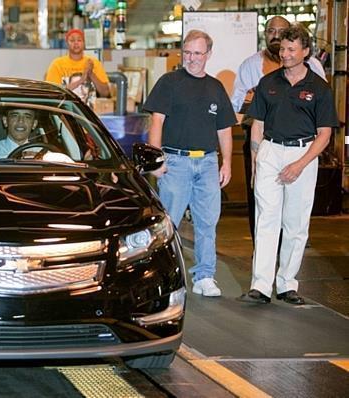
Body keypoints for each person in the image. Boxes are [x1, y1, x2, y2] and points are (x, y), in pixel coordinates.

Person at [237, 24, 338, 305]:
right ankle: (260, 286)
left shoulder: (319, 88)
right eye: (282, 49)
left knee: (295, 224)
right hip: (271, 151)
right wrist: (257, 161)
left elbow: (325, 134)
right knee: (266, 220)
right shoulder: (269, 83)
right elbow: (258, 124)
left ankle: (286, 285)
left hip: (303, 155)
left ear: (306, 52)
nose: (285, 54)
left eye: (291, 49)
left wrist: (300, 164)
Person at [142, 30, 236, 297]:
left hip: (207, 163)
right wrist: (156, 160)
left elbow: (224, 130)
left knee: (207, 223)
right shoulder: (169, 82)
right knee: (168, 223)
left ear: (208, 55)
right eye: (188, 52)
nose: (192, 58)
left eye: (198, 53)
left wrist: (226, 162)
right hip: (175, 163)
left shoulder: (216, 87)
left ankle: (205, 276)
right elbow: (156, 121)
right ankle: (167, 276)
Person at [231, 16, 326, 244]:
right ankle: (262, 249)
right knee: (262, 205)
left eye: (280, 31)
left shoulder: (313, 67)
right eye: (270, 31)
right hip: (261, 139)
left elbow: (322, 103)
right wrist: (258, 100)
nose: (275, 35)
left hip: (302, 142)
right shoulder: (251, 65)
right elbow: (237, 104)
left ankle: (289, 248)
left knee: (296, 209)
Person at [45, 29, 110, 106]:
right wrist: (81, 80)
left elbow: (105, 93)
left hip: (90, 114)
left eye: (79, 40)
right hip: (64, 112)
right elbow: (52, 94)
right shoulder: (57, 64)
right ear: (67, 43)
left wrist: (91, 73)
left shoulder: (93, 63)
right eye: (72, 40)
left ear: (84, 43)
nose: (76, 43)